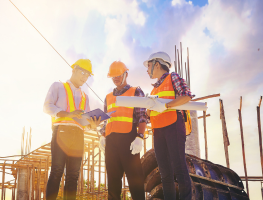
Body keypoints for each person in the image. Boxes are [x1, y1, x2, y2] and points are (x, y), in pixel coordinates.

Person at [43, 59, 101, 200]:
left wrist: (91, 126)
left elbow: (84, 122)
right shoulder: (58, 86)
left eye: (87, 75)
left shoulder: (84, 96)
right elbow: (47, 107)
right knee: (57, 171)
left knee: (73, 175)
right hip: (61, 131)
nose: (84, 77)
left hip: (78, 135)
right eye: (82, 72)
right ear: (73, 69)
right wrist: (68, 114)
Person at [144, 52, 193, 200]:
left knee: (179, 168)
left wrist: (166, 105)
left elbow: (186, 96)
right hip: (158, 130)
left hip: (173, 126)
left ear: (157, 65)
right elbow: (151, 114)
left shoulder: (173, 77)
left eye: (149, 65)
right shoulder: (153, 90)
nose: (147, 69)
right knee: (165, 172)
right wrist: (147, 110)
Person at [99, 61, 146, 200]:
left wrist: (140, 137)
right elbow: (105, 120)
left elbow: (142, 116)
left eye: (118, 75)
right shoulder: (108, 97)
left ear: (126, 74)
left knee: (135, 181)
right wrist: (102, 135)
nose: (116, 78)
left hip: (129, 141)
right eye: (113, 76)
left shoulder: (136, 91)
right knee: (113, 183)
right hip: (111, 143)